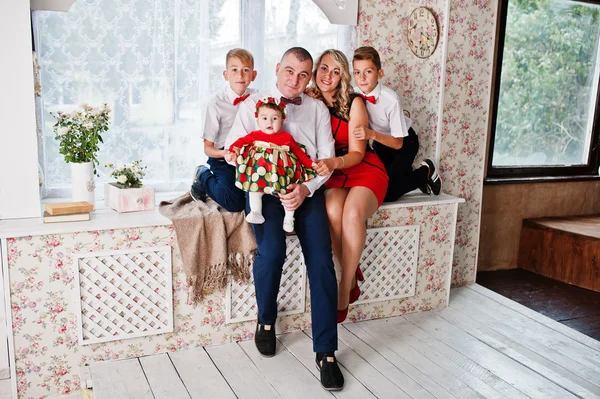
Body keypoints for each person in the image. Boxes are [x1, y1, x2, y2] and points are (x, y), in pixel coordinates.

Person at [225, 47, 344, 391]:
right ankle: (265, 320)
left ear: (309, 79)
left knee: (322, 262)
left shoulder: (317, 109)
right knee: (272, 252)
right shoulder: (252, 105)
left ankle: (326, 351)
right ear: (277, 69)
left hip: (304, 192)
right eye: (289, 71)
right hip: (265, 191)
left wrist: (305, 189)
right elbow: (234, 146)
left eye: (303, 74)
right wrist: (242, 158)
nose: (295, 80)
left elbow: (325, 159)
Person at [308, 49, 388, 324]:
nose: (328, 75)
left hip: (361, 166)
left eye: (336, 71)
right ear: (316, 70)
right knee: (331, 211)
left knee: (352, 213)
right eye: (324, 68)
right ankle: (353, 274)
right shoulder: (308, 99)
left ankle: (345, 288)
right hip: (332, 172)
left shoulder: (354, 103)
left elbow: (357, 153)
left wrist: (332, 162)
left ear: (342, 76)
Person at [352, 46, 441, 201]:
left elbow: (398, 143)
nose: (362, 78)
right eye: (357, 72)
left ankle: (424, 173)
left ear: (379, 73)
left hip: (404, 143)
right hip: (381, 144)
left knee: (389, 192)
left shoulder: (391, 100)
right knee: (376, 184)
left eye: (368, 71)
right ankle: (404, 173)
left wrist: (371, 134)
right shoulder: (353, 93)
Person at [227, 97, 316, 232]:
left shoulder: (286, 137)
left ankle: (289, 217)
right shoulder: (255, 135)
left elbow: (298, 152)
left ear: (282, 120)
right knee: (254, 190)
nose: (270, 122)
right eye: (264, 118)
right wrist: (232, 151)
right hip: (260, 173)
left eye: (275, 118)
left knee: (288, 193)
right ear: (257, 121)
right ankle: (256, 212)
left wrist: (310, 164)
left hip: (280, 173)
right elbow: (240, 142)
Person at [190, 48, 257, 212]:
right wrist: (225, 153)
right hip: (221, 157)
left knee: (254, 198)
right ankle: (202, 175)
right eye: (234, 70)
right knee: (234, 203)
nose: (240, 76)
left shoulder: (259, 98)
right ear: (226, 74)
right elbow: (208, 148)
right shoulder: (213, 104)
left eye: (245, 70)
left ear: (253, 75)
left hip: (250, 157)